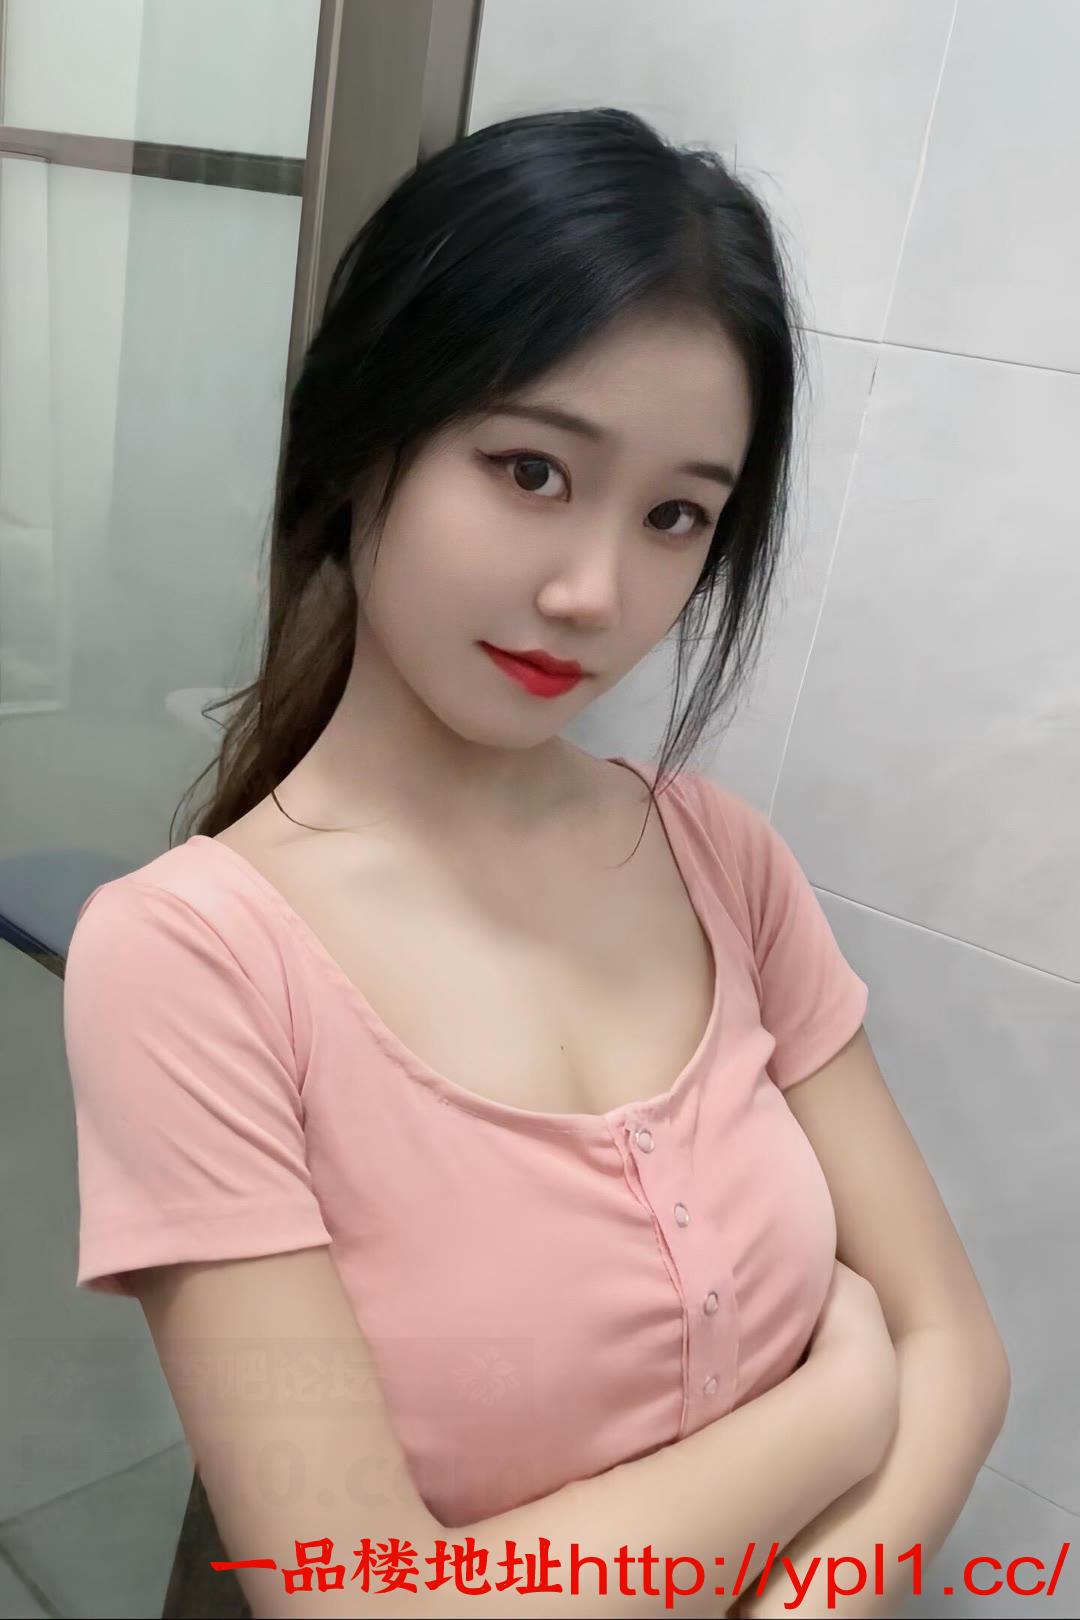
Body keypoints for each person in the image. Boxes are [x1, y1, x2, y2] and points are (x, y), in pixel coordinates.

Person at [63, 108, 1009, 1619]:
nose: (593, 591)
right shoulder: (188, 962)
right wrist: (839, 1410)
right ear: (371, 433)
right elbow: (355, 1596)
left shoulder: (718, 860)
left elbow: (957, 1348)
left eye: (677, 515)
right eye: (531, 470)